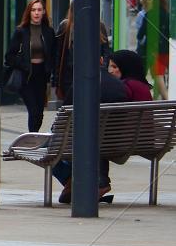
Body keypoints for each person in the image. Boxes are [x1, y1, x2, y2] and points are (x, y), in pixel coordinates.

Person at [48, 67, 130, 205]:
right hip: (115, 142)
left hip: (84, 141)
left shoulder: (81, 83)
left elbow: (63, 117)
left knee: (47, 145)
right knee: (97, 139)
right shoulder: (119, 85)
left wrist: (54, 131)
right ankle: (92, 181)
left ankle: (70, 180)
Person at [5, 0, 57, 132]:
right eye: (33, 10)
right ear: (29, 12)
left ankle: (34, 135)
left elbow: (53, 54)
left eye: (39, 10)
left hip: (41, 76)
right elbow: (9, 56)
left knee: (39, 113)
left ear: (44, 12)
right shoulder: (21, 31)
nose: (36, 13)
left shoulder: (48, 32)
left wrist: (51, 71)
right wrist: (23, 64)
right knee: (33, 110)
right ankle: (32, 137)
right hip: (26, 76)